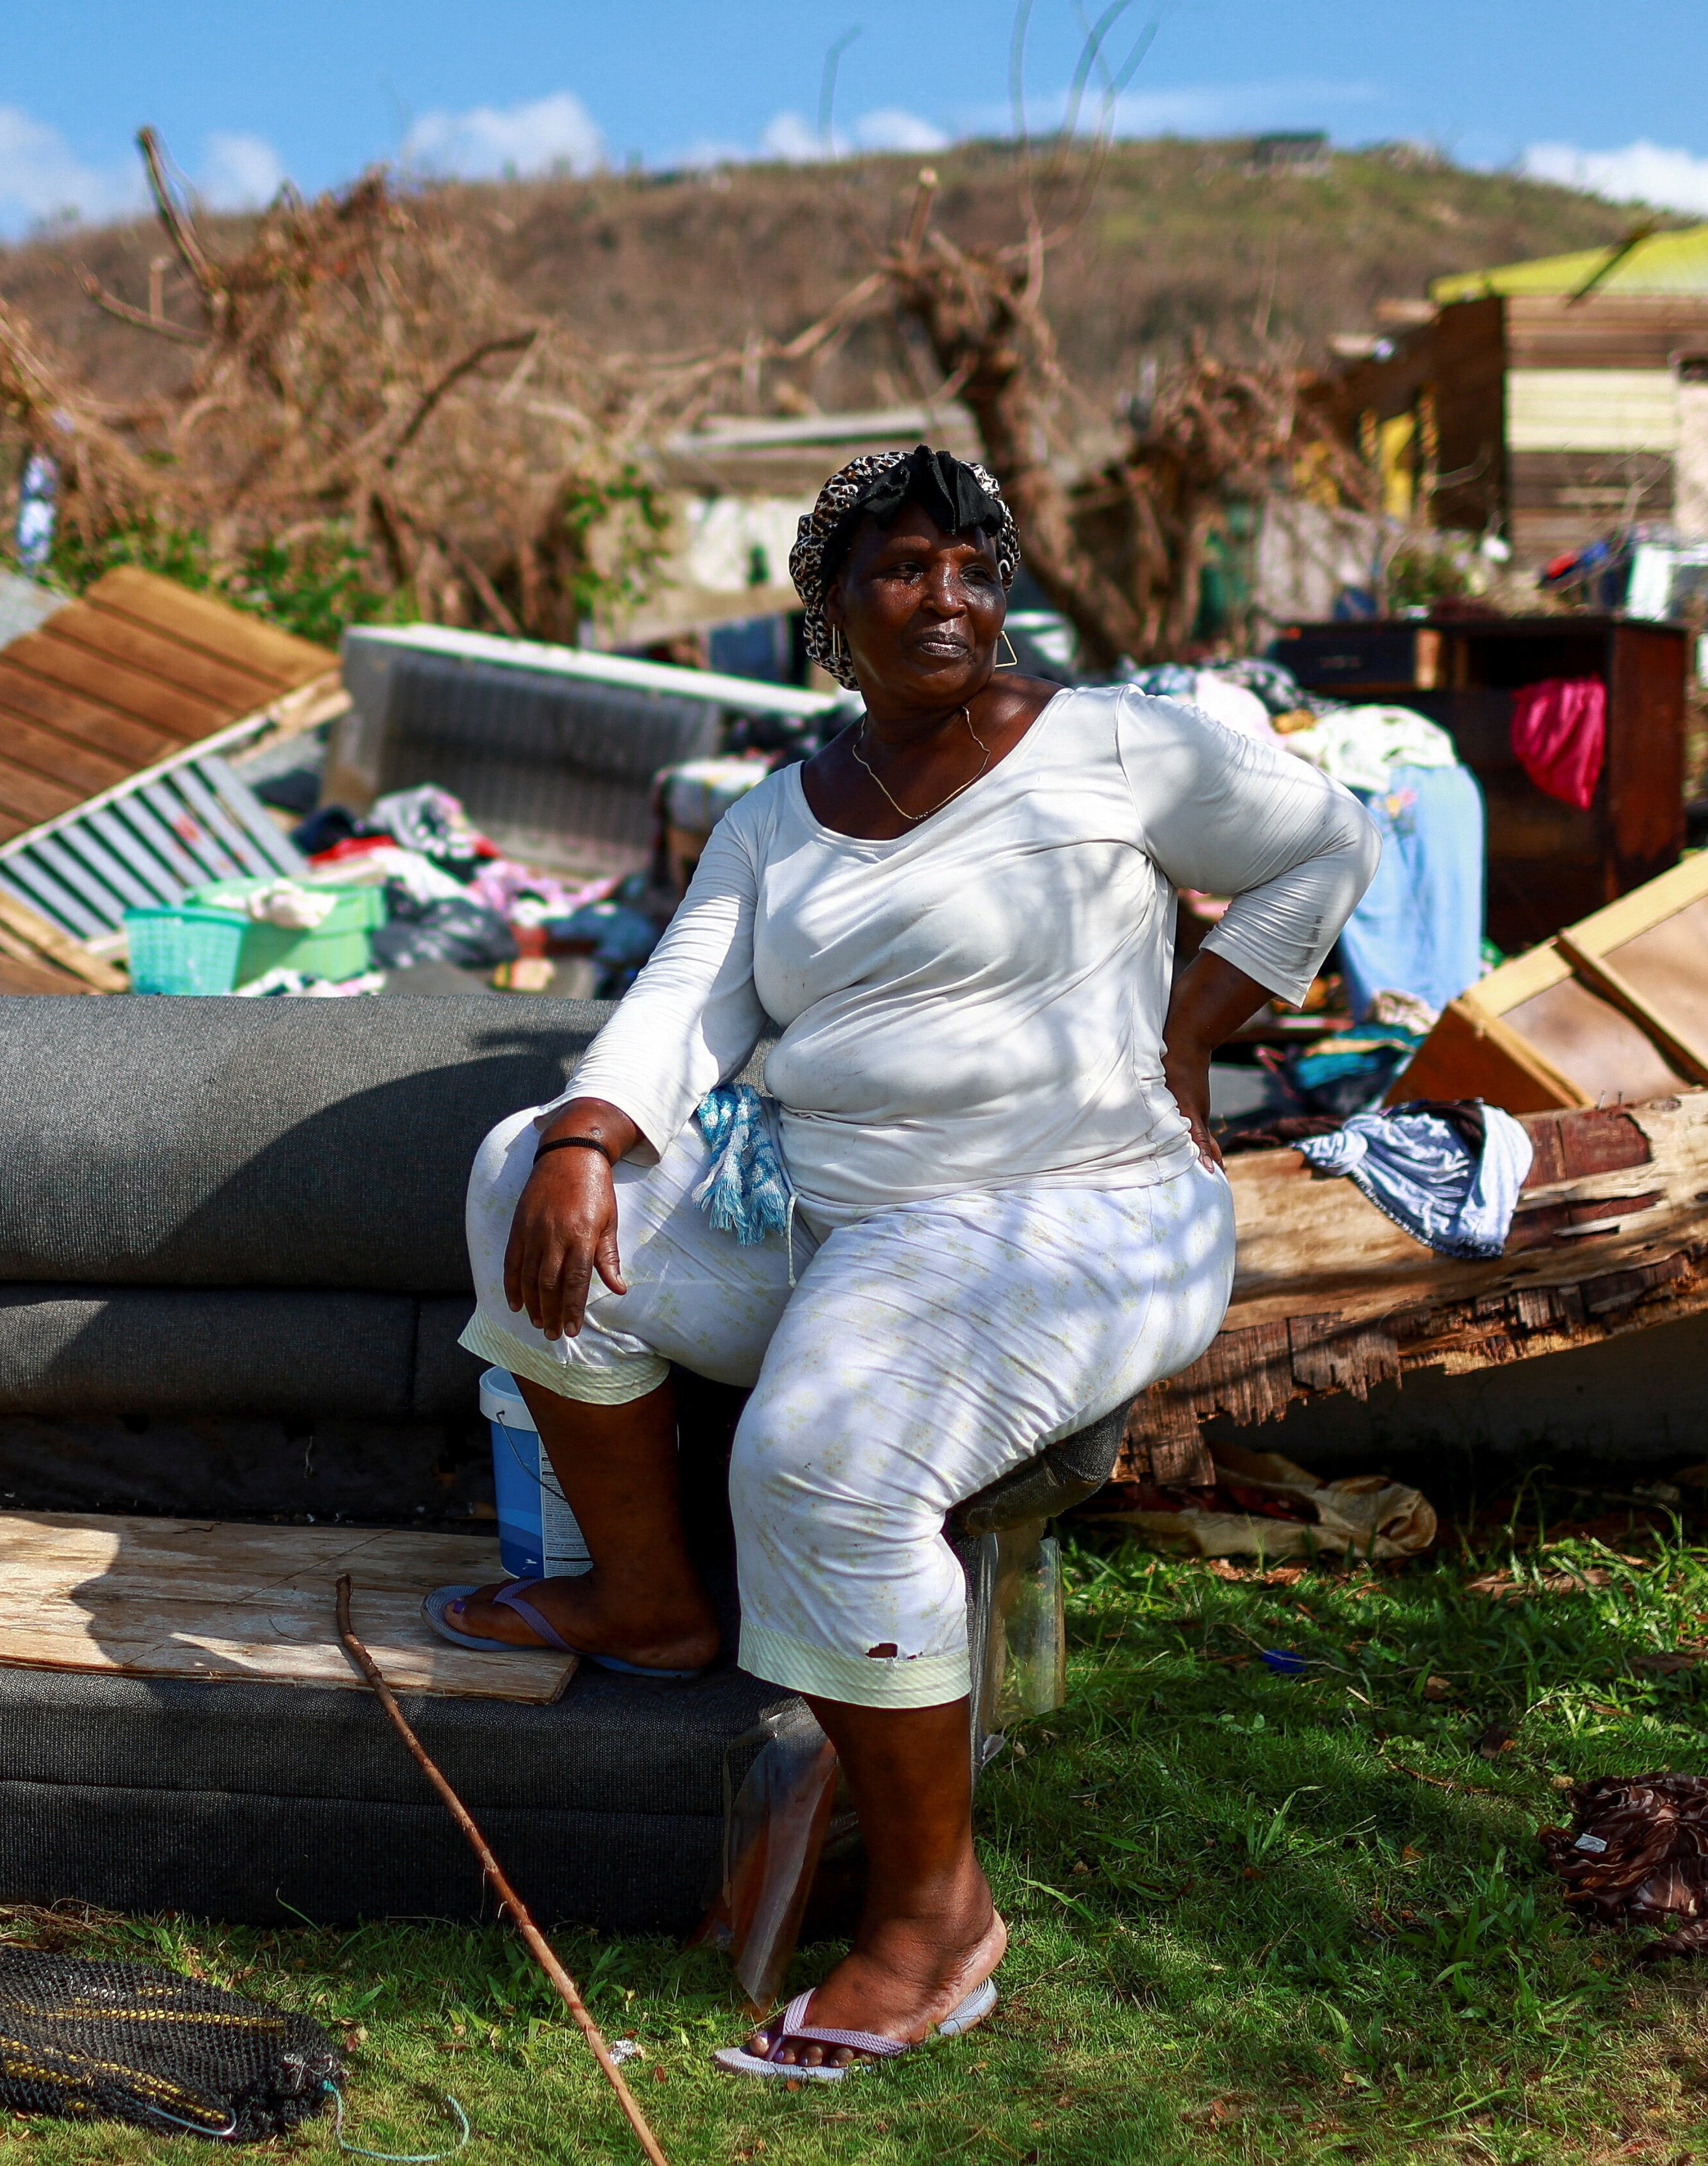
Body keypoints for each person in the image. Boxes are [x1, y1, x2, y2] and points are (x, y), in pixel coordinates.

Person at [431, 446, 1378, 2079]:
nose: (943, 596)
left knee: (825, 1456)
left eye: (969, 564)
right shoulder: (775, 818)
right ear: (829, 609)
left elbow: (1325, 840)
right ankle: (650, 1604)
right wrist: (590, 1134)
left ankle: (937, 1922)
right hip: (828, 1207)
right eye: (898, 568)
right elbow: (682, 1000)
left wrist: (1188, 1029)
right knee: (521, 1165)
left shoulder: (1115, 741)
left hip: (1068, 1211)